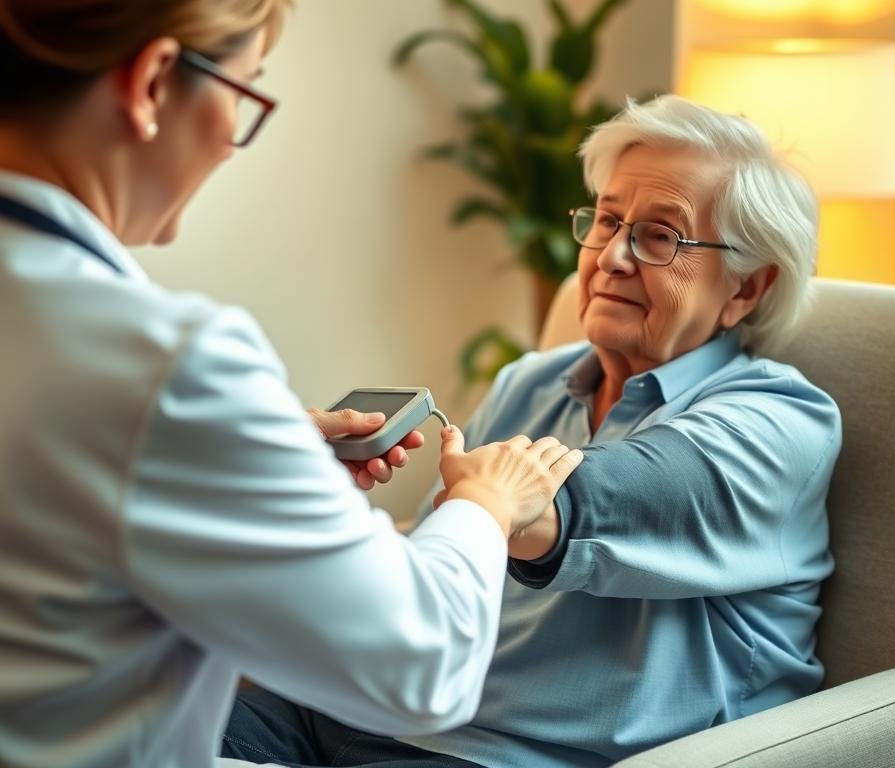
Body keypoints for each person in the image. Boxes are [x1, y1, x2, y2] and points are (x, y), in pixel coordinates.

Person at [0, 2, 585, 768]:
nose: (231, 143)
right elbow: (422, 668)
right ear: (152, 84)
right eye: (246, 94)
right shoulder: (169, 365)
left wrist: (249, 456)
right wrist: (486, 503)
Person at [223, 95, 842, 768]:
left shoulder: (779, 421)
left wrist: (485, 505)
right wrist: (299, 486)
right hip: (344, 712)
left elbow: (586, 502)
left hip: (497, 755)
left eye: (660, 236)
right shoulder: (532, 382)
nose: (613, 257)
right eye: (607, 220)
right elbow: (441, 555)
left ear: (746, 289)